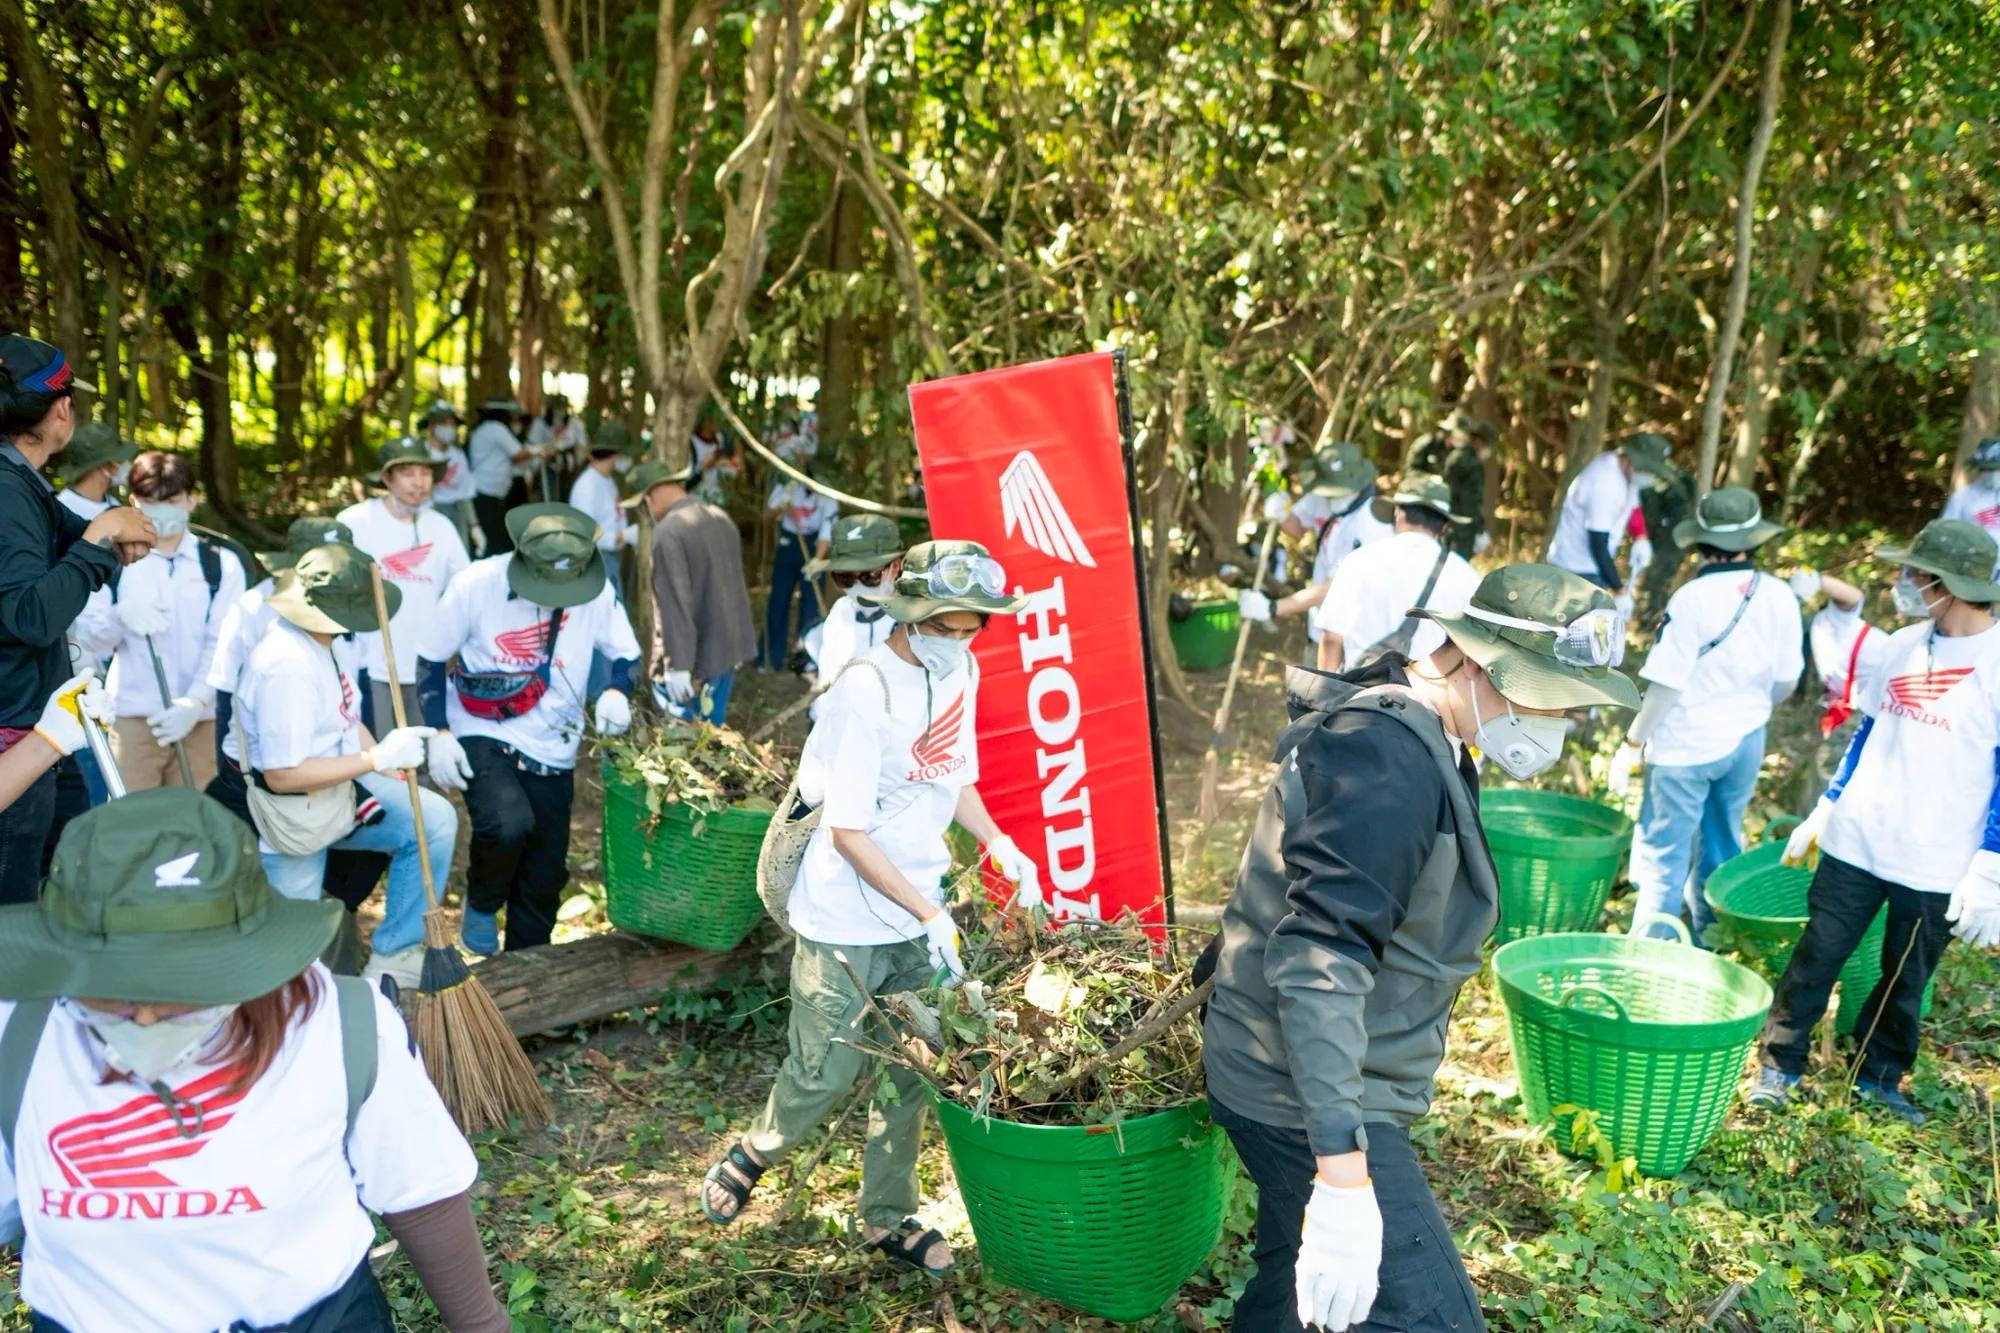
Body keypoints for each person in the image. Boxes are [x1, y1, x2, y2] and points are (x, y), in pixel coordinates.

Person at [1202, 563, 1638, 1333]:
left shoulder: (1428, 727)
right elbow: (1320, 957)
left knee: (1295, 1286)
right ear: (1473, 660)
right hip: (1305, 1088)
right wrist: (1341, 1176)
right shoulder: (1386, 754)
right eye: (1547, 695)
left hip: (1320, 1067)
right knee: (1430, 1314)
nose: (1561, 718)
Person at [0, 787, 510, 1333]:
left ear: (243, 963)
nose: (144, 1018)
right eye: (111, 989)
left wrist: (483, 1326)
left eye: (177, 988)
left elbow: (421, 1194)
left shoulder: (340, 1026)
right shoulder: (17, 1031)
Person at [699, 540, 1042, 1274]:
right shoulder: (865, 691)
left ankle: (885, 1214)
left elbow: (953, 777)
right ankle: (758, 1148)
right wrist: (928, 913)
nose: (958, 642)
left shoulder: (965, 671)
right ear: (911, 614)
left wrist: (999, 842)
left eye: (970, 627)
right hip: (846, 914)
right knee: (823, 1071)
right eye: (944, 627)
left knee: (914, 1062)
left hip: (919, 903)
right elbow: (848, 832)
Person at [1749, 519, 2000, 1125]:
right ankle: (1779, 1065)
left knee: (1904, 978)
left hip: (1937, 857)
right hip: (1857, 840)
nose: (1904, 582)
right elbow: (1868, 733)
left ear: (1949, 585)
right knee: (1817, 953)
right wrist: (1827, 806)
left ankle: (1878, 1077)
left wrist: (1990, 865)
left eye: (1916, 573)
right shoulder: (1901, 645)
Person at [417, 504, 638, 955]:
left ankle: (528, 975)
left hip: (555, 743)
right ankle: (480, 904)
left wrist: (617, 692)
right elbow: (429, 658)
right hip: (483, 725)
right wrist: (438, 732)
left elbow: (628, 656)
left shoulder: (596, 590)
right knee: (506, 823)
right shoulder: (476, 584)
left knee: (544, 875)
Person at [234, 542, 455, 989]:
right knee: (293, 960)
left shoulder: (322, 643)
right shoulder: (286, 667)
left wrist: (384, 762)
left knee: (433, 820)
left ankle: (395, 954)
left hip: (339, 790)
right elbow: (283, 775)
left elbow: (346, 716)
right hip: (292, 814)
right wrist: (374, 759)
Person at [1608, 488, 1804, 944]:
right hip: (1746, 740)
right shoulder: (1779, 595)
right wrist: (1750, 708)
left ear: (1702, 543)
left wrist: (1632, 744)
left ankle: (1652, 954)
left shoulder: (1691, 597)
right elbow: (1788, 680)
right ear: (1753, 540)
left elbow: (1667, 685)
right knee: (1722, 844)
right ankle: (1714, 940)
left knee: (1665, 857)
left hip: (1683, 748)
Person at [0, 336, 154, 902]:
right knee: (13, 926)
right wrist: (98, 538)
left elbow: (66, 543)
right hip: (14, 742)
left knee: (61, 887)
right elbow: (31, 615)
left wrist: (108, 539)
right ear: (60, 408)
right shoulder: (5, 488)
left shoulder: (22, 486)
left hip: (37, 729)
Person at [72, 451, 246, 793]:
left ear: (192, 501)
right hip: (133, 719)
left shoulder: (221, 565)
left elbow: (225, 642)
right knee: (131, 825)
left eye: (172, 500)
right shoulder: (112, 561)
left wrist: (194, 702)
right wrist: (119, 616)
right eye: (151, 501)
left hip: (201, 719)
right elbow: (90, 640)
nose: (162, 509)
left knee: (193, 823)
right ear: (133, 501)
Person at [337, 436, 471, 735]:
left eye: (425, 473)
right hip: (369, 662)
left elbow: (465, 589)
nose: (419, 482)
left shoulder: (441, 527)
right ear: (387, 478)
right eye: (408, 473)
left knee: (424, 756)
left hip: (426, 665)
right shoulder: (356, 522)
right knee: (382, 758)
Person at [1308, 473, 1481, 672]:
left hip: (1359, 694)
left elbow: (1331, 638)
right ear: (1444, 525)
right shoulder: (1467, 577)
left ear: (1398, 513)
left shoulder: (1360, 560)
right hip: (1428, 698)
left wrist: (1328, 695)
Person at [628, 458, 757, 724]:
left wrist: (677, 666)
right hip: (726, 652)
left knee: (684, 749)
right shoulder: (719, 517)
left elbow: (675, 604)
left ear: (649, 499)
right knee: (711, 740)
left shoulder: (668, 533)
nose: (644, 515)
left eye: (641, 507)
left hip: (692, 665)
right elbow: (734, 586)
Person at [1242, 443, 1394, 655]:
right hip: (1321, 626)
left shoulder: (1374, 523)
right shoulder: (1320, 495)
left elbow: (1337, 587)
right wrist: (1281, 513)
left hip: (1357, 638)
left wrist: (1273, 608)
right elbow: (1296, 528)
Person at [1549, 431, 1673, 615]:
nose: (1649, 476)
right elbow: (1598, 545)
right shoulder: (1605, 484)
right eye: (1647, 470)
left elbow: (1632, 505)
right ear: (1630, 460)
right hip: (1575, 570)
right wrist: (1620, 591)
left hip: (1592, 567)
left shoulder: (1624, 472)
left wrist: (1641, 537)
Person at [803, 514, 904, 695]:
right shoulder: (840, 613)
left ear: (895, 567)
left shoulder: (915, 622)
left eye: (869, 577)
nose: (858, 586)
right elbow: (827, 682)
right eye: (845, 578)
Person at [764, 468, 839, 671]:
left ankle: (806, 657)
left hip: (814, 546)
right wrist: (783, 506)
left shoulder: (828, 496)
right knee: (779, 599)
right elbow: (768, 515)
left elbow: (826, 532)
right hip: (789, 543)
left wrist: (816, 561)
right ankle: (770, 657)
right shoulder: (788, 487)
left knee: (811, 604)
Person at [1413, 414, 1494, 557]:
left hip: (1460, 525)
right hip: (1460, 526)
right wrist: (1476, 526)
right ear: (1480, 441)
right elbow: (1465, 498)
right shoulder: (1466, 461)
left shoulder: (1464, 458)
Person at [467, 398, 528, 555]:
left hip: (489, 493)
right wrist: (536, 451)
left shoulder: (484, 429)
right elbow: (518, 453)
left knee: (495, 537)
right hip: (486, 493)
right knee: (494, 541)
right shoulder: (495, 428)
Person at [424, 399, 481, 557]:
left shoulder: (458, 455)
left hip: (458, 513)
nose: (449, 428)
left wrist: (475, 526)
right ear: (431, 426)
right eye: (443, 423)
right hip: (431, 512)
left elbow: (465, 493)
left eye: (452, 424)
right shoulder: (422, 454)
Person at [52, 421, 136, 524]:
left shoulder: (114, 504)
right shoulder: (63, 509)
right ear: (101, 466)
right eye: (119, 460)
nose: (126, 465)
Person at [567, 434, 633, 560]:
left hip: (611, 555)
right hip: (597, 559)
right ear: (613, 456)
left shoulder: (608, 479)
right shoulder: (586, 486)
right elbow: (585, 535)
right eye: (621, 454)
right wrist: (621, 536)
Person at [1942, 436, 2000, 535]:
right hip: (1976, 550)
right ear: (1978, 469)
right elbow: (1946, 534)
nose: (1993, 475)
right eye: (1987, 470)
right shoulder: (1961, 498)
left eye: (1997, 469)